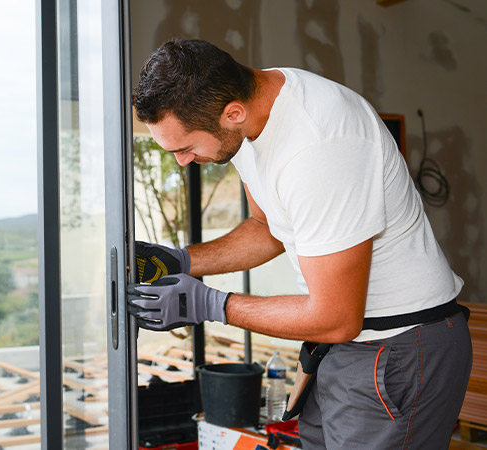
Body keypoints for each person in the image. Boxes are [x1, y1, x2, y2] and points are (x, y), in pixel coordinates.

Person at [128, 38, 471, 449]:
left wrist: (209, 304)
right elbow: (269, 227)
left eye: (185, 147)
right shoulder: (248, 118)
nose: (181, 161)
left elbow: (336, 316)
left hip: (396, 347)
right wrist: (181, 261)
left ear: (232, 113)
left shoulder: (320, 145)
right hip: (342, 346)